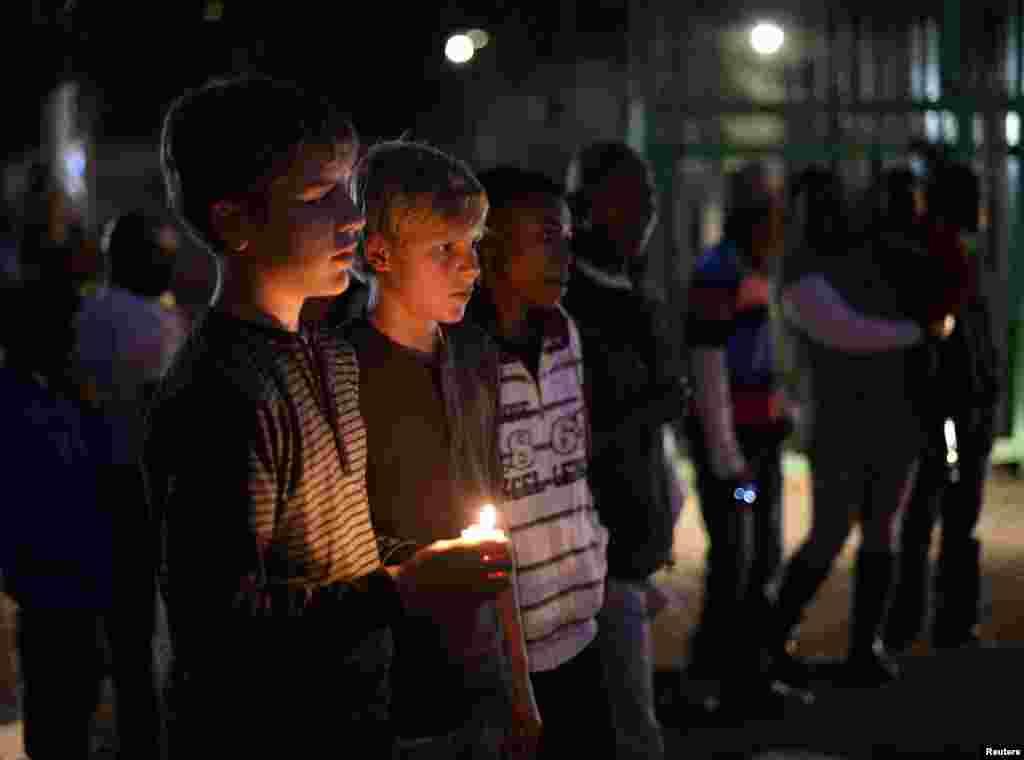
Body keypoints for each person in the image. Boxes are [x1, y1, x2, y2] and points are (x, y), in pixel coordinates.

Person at [144, 76, 512, 759]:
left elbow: (337, 565)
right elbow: (218, 632)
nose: (351, 215)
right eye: (319, 196)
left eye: (349, 187)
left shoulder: (328, 361)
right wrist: (403, 590)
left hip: (358, 725)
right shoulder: (220, 395)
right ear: (234, 223)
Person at [336, 140, 540, 759]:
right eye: (444, 250)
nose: (472, 268)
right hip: (384, 694)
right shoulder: (338, 370)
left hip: (477, 678)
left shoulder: (472, 360)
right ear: (380, 253)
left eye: (473, 246)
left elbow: (493, 530)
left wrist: (520, 692)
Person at [764, 165, 951, 690]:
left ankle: (857, 649)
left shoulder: (870, 255)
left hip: (885, 416)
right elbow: (842, 330)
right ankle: (775, 639)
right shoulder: (804, 268)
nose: (830, 211)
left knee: (876, 530)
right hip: (846, 420)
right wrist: (918, 333)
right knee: (833, 532)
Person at [469, 166, 613, 759]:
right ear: (492, 242)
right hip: (509, 650)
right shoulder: (460, 360)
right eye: (548, 237)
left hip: (580, 625)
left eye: (567, 239)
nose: (565, 256)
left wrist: (592, 549)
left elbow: (574, 468)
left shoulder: (565, 334)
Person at [562, 141, 686, 760]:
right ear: (582, 207)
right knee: (629, 737)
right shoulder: (567, 308)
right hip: (596, 555)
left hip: (631, 548)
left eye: (651, 199)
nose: (646, 212)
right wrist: (655, 404)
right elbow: (582, 433)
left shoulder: (633, 291)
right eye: (630, 199)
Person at [0, 162, 117, 760]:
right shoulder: (26, 402)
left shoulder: (59, 395)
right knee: (57, 703)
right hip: (52, 577)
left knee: (69, 699)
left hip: (70, 575)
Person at [683, 162, 806, 717]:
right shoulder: (720, 271)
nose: (783, 222)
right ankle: (720, 680)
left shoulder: (752, 269)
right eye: (775, 212)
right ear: (754, 217)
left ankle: (741, 675)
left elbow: (754, 357)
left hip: (757, 444)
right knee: (740, 560)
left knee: (757, 558)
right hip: (739, 457)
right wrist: (728, 456)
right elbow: (707, 365)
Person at [885, 161, 1001, 652]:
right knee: (944, 515)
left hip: (954, 406)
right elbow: (948, 341)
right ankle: (941, 623)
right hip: (951, 409)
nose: (984, 209)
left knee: (933, 516)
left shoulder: (943, 251)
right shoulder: (943, 253)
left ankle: (918, 622)